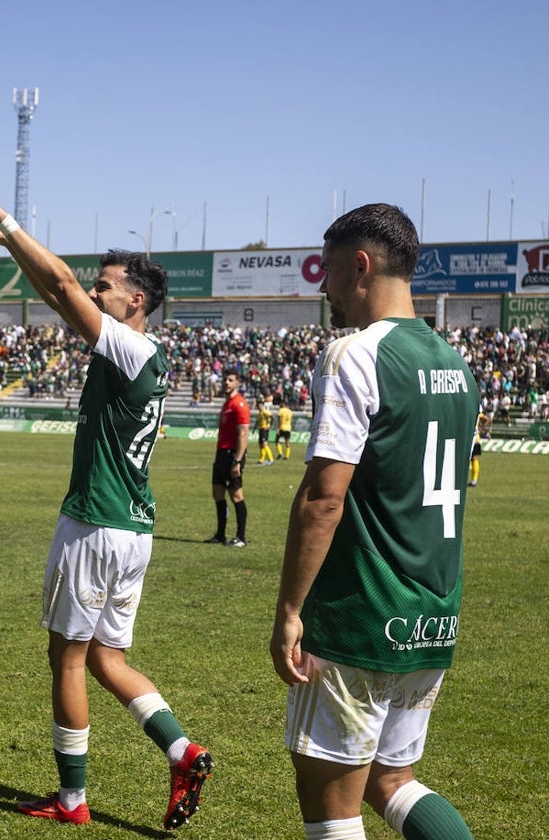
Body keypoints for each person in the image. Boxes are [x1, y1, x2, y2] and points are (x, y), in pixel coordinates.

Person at [0, 174, 212, 831]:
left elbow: (64, 287)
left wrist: (4, 219)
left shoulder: (126, 348)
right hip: (133, 529)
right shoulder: (144, 351)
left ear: (138, 300)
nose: (96, 292)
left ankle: (71, 801)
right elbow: (57, 291)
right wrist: (12, 250)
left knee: (66, 659)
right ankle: (183, 751)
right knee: (106, 659)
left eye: (108, 286)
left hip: (94, 524)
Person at [270, 203, 477, 840]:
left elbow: (323, 499)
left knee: (333, 812)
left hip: (361, 615)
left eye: (328, 271)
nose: (323, 287)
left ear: (361, 267)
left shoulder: (355, 355)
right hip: (432, 611)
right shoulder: (457, 365)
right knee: (393, 784)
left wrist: (289, 611)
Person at [208, 371, 249, 547]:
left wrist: (237, 460)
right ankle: (220, 534)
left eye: (231, 380)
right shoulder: (227, 403)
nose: (226, 382)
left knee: (236, 495)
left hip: (232, 454)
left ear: (237, 383)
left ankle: (240, 537)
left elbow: (243, 434)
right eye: (225, 379)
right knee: (218, 492)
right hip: (221, 453)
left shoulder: (239, 404)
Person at [468, 407, 489, 487]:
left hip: (472, 438)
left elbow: (487, 419)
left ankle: (474, 480)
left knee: (474, 458)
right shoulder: (478, 414)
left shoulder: (471, 413)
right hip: (475, 438)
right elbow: (487, 419)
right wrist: (481, 429)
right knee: (474, 459)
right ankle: (474, 480)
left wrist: (481, 429)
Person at [256, 396, 276, 466]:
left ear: (262, 406)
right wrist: (254, 429)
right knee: (261, 445)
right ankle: (261, 459)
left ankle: (271, 459)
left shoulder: (265, 412)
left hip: (265, 429)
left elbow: (272, 417)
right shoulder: (259, 414)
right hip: (261, 429)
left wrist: (270, 425)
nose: (259, 407)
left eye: (260, 406)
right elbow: (257, 422)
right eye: (258, 406)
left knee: (264, 444)